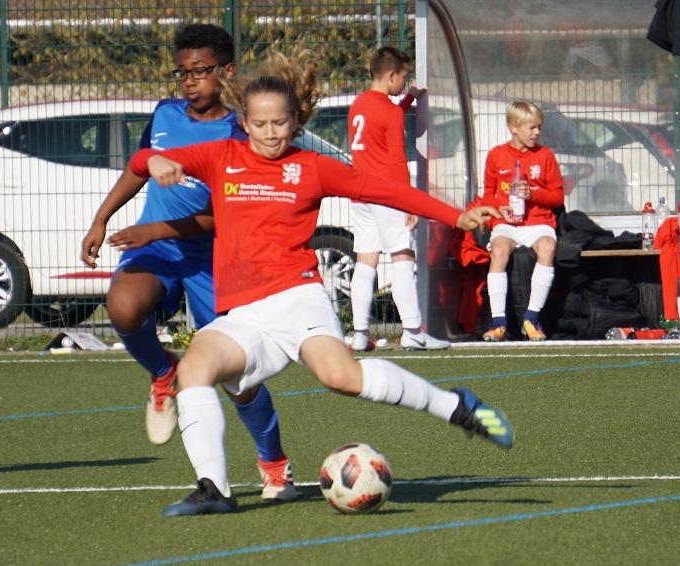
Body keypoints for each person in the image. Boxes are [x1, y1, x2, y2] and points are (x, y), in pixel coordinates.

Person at [115, 46, 513, 517]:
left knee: (340, 377)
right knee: (194, 368)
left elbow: (384, 189)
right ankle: (214, 489)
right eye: (260, 123)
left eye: (279, 123)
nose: (270, 133)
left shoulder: (311, 167)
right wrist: (153, 162)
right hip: (245, 315)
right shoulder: (220, 156)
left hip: (298, 298)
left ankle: (456, 407)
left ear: (296, 122)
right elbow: (142, 159)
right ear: (243, 123)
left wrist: (456, 215)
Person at [79, 24, 296, 501]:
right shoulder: (164, 114)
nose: (189, 81)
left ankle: (275, 464)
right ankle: (163, 373)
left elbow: (223, 215)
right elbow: (139, 165)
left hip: (212, 258)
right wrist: (101, 219)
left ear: (227, 71)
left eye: (199, 71)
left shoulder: (241, 132)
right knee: (123, 307)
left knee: (238, 378)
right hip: (157, 250)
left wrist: (153, 230)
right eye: (182, 72)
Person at [346, 46, 448, 352]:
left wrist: (408, 99)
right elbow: (396, 159)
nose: (404, 82)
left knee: (365, 263)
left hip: (360, 194)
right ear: (391, 75)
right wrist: (408, 202)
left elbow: (384, 121)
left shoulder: (358, 105)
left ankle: (360, 334)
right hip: (386, 195)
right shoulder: (388, 111)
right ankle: (413, 331)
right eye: (403, 77)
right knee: (403, 258)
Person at [479, 100, 565, 342]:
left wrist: (533, 194)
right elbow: (487, 194)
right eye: (532, 127)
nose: (537, 132)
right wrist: (499, 209)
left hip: (538, 223)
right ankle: (498, 322)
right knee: (498, 251)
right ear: (514, 127)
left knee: (547, 247)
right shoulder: (496, 155)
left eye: (539, 127)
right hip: (508, 223)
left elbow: (558, 197)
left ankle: (532, 318)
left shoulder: (545, 155)